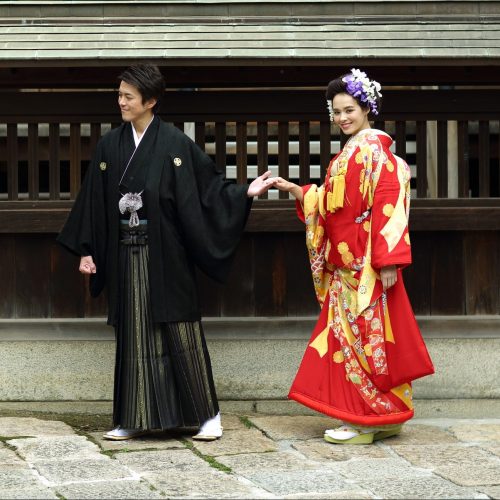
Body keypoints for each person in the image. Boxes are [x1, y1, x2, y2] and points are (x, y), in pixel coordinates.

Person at [57, 64, 274, 441]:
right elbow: (93, 200)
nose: (121, 101)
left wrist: (243, 193)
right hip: (125, 253)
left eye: (128, 96)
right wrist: (87, 249)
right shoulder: (110, 145)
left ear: (150, 101)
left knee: (179, 329)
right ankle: (133, 416)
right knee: (133, 333)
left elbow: (207, 189)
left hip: (167, 252)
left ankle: (208, 416)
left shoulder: (174, 143)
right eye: (120, 94)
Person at [272, 68, 434, 444]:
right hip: (349, 265)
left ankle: (364, 420)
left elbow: (391, 203)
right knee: (358, 341)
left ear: (366, 109)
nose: (342, 117)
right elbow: (330, 203)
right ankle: (383, 414)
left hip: (368, 267)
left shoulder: (378, 154)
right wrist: (296, 190)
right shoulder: (351, 153)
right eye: (337, 112)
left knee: (367, 341)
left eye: (349, 110)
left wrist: (389, 259)